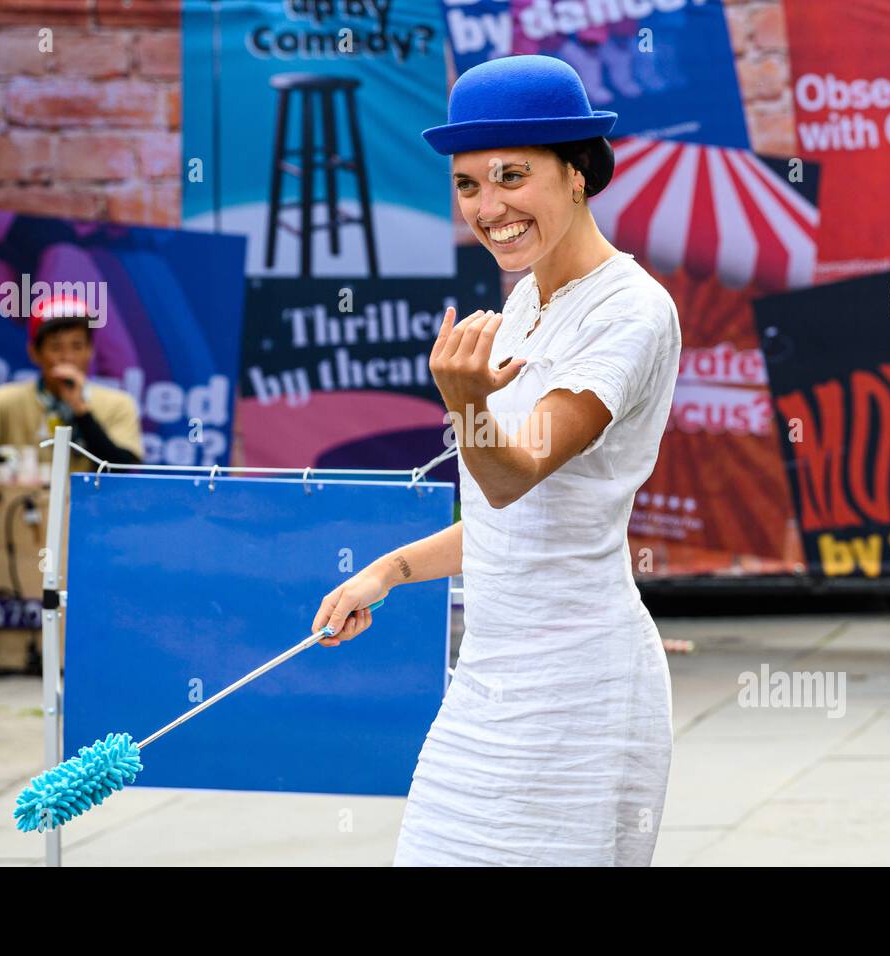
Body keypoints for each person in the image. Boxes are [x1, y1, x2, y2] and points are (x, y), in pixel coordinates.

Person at [309, 54, 682, 866]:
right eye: (469, 184)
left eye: (513, 176)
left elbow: (514, 476)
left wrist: (466, 403)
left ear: (578, 172)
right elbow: (509, 522)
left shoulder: (631, 309)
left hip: (579, 691)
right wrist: (392, 570)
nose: (490, 207)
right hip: (487, 680)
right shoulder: (520, 303)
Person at [0, 294, 143, 489]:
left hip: (89, 518)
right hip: (19, 516)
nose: (67, 357)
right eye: (56, 347)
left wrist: (81, 409)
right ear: (34, 353)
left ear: (91, 351)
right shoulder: (8, 400)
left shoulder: (118, 403)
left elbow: (119, 466)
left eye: (77, 346)